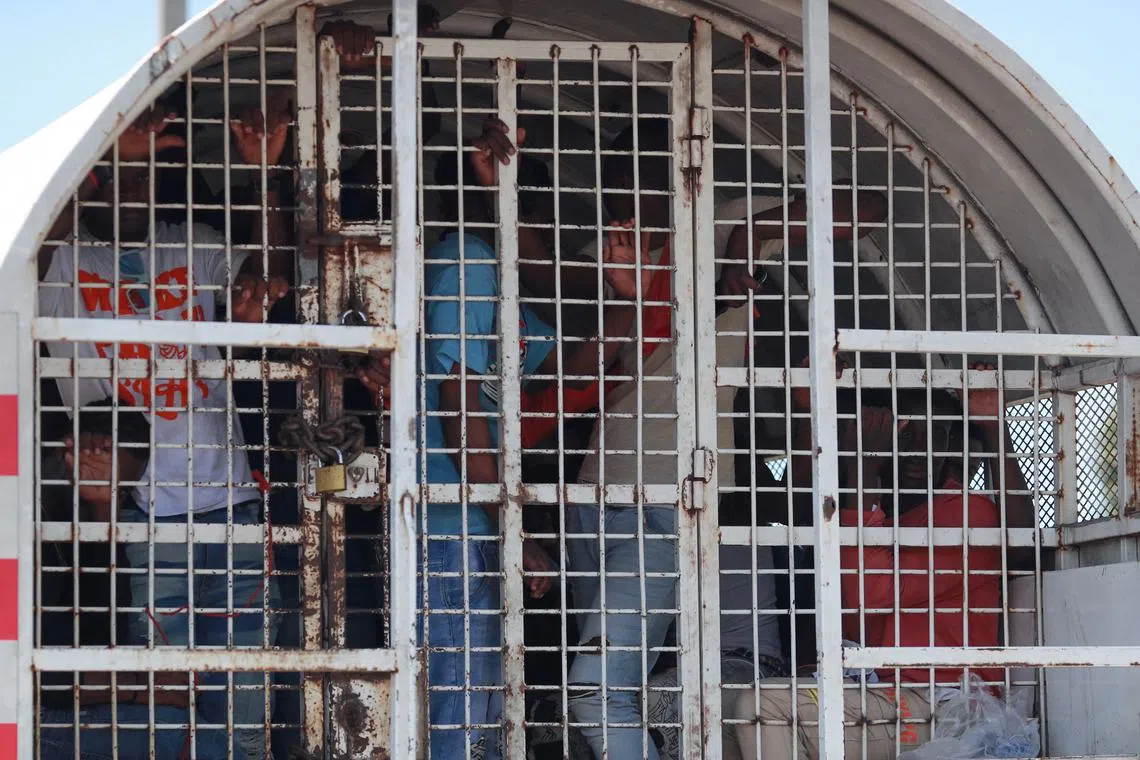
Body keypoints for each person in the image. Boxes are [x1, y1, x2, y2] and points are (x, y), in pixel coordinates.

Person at [549, 119, 886, 759]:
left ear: (682, 168)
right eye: (616, 181)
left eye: (641, 174)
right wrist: (630, 288)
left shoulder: (721, 220)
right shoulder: (618, 250)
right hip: (593, 497)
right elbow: (593, 370)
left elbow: (865, 207)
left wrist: (748, 241)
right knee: (616, 683)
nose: (626, 192)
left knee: (595, 692)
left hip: (667, 498)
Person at [36, 101, 292, 759]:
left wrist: (265, 174)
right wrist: (110, 154)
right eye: (125, 168)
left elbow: (263, 275)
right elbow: (23, 245)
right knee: (164, 706)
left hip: (234, 510)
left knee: (241, 703)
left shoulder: (195, 242)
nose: (140, 177)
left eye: (150, 169)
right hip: (146, 519)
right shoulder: (65, 261)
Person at [413, 139, 651, 757]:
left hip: (473, 521)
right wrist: (510, 523)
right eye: (532, 209)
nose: (541, 229)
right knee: (460, 716)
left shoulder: (499, 280)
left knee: (480, 711)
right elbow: (460, 401)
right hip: (447, 521)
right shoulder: (464, 263)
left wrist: (627, 298)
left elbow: (566, 378)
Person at [732, 386, 1007, 760]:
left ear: (951, 444)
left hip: (943, 703)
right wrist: (807, 412)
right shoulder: (884, 510)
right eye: (905, 432)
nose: (918, 450)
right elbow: (795, 508)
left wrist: (864, 465)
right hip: (884, 690)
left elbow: (869, 595)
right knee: (723, 714)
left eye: (935, 434)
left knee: (763, 709)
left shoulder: (966, 513)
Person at [38, 406, 232, 759]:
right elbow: (38, 677)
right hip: (31, 717)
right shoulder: (27, 525)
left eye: (121, 489)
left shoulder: (79, 525)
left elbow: (100, 628)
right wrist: (139, 690)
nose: (94, 469)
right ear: (64, 450)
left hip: (70, 706)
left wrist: (102, 508)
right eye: (87, 461)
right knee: (200, 744)